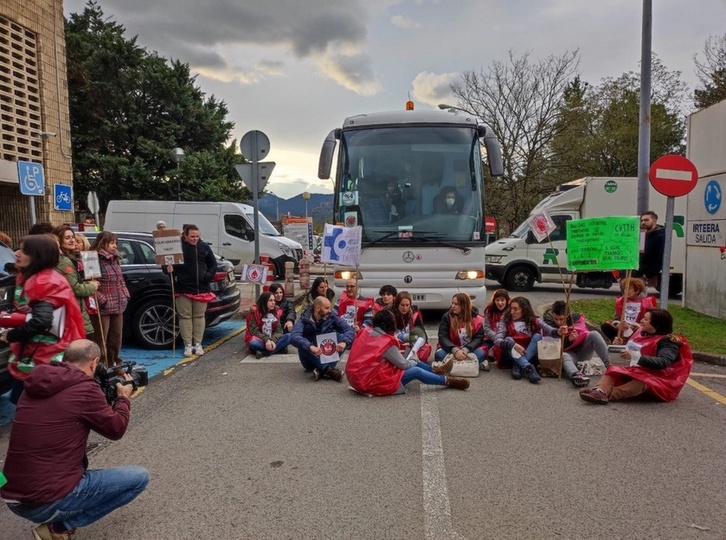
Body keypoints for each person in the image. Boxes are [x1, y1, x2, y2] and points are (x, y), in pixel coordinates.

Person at [1, 339, 149, 540]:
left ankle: (61, 508)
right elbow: (116, 429)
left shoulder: (33, 386)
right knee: (139, 477)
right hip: (42, 502)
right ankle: (59, 528)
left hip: (11, 495)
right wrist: (122, 398)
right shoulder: (85, 389)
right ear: (93, 363)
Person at [0, 235, 85, 404]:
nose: (17, 254)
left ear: (38, 255)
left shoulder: (42, 281)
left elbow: (42, 320)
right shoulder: (40, 277)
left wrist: (11, 335)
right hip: (41, 353)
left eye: (24, 251)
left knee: (26, 401)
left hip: (44, 355)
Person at [579, 309, 693, 404]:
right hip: (638, 370)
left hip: (659, 378)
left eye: (646, 319)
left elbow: (663, 362)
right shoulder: (641, 331)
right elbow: (634, 349)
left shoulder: (669, 342)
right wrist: (620, 345)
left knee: (641, 382)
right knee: (614, 370)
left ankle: (609, 394)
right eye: (643, 317)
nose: (641, 321)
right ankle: (600, 390)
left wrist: (636, 357)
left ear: (656, 325)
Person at [345, 309, 470, 395]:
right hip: (370, 382)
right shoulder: (385, 343)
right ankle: (446, 380)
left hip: (357, 378)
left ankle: (436, 371)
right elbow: (403, 365)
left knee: (407, 359)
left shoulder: (365, 332)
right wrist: (414, 359)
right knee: (415, 370)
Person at [163, 224, 216, 357]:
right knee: (185, 316)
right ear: (184, 235)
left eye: (197, 236)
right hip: (182, 288)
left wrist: (207, 277)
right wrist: (168, 269)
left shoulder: (204, 246)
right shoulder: (177, 247)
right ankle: (188, 345)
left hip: (201, 287)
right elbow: (166, 265)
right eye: (192, 236)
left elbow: (213, 264)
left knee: (199, 316)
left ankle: (198, 344)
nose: (195, 239)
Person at [493, 296, 567, 384]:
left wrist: (559, 331)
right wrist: (513, 345)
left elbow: (549, 330)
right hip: (509, 355)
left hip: (529, 354)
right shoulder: (505, 319)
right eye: (511, 308)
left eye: (515, 309)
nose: (512, 312)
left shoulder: (534, 319)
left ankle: (519, 364)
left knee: (537, 336)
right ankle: (528, 368)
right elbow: (497, 340)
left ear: (524, 310)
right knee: (508, 339)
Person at [543, 300, 610, 388]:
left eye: (561, 319)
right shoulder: (549, 324)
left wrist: (576, 338)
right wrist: (568, 340)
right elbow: (551, 347)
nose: (558, 322)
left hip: (582, 351)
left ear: (566, 316)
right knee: (564, 355)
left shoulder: (576, 320)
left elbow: (584, 333)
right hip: (567, 355)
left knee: (594, 334)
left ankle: (609, 366)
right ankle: (576, 375)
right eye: (556, 319)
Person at [290, 296, 355, 382]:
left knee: (343, 337)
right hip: (310, 360)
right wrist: (310, 347)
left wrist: (344, 342)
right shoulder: (304, 320)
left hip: (327, 354)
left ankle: (323, 370)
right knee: (303, 343)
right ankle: (329, 370)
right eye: (327, 308)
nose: (330, 310)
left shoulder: (332, 317)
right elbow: (293, 337)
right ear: (317, 308)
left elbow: (349, 330)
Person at [90, 232, 130, 367]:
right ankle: (101, 365)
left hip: (118, 303)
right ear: (103, 243)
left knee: (116, 337)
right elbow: (91, 282)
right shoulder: (94, 259)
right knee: (101, 338)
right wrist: (102, 300)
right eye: (112, 243)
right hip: (104, 305)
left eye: (115, 243)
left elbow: (120, 279)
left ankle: (115, 363)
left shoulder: (115, 259)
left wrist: (125, 294)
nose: (114, 246)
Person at [52, 225, 99, 340]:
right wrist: (92, 286)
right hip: (72, 310)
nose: (72, 240)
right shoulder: (64, 261)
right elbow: (75, 288)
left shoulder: (68, 258)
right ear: (58, 240)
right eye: (67, 238)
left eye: (72, 237)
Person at [435, 292, 488, 369]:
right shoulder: (447, 317)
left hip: (470, 349)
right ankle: (471, 364)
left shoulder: (477, 318)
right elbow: (442, 337)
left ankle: (452, 364)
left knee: (481, 354)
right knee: (440, 355)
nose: (453, 306)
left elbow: (479, 338)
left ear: (464, 306)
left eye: (456, 304)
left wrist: (466, 349)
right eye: (452, 303)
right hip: (451, 348)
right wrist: (455, 350)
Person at [600, 278, 657, 343]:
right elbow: (616, 318)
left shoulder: (647, 302)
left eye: (628, 289)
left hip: (637, 329)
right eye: (624, 289)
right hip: (622, 328)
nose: (625, 291)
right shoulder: (621, 301)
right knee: (605, 326)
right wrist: (618, 324)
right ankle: (616, 341)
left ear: (637, 290)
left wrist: (633, 326)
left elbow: (649, 322)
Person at [245, 291, 292, 358]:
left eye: (274, 300)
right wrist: (266, 340)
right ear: (264, 301)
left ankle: (263, 352)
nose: (273, 303)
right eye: (270, 300)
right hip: (261, 340)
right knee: (252, 342)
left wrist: (272, 340)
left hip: (273, 340)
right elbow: (254, 331)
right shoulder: (255, 313)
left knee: (290, 336)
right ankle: (278, 350)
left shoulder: (276, 312)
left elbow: (279, 331)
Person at [391, 291, 432, 362]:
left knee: (426, 347)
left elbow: (422, 334)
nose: (405, 308)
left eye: (407, 305)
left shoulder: (415, 314)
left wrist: (412, 338)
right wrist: (401, 337)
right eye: (402, 305)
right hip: (396, 344)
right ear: (397, 304)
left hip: (411, 343)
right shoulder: (390, 315)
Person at [633, 211, 665, 288]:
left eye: (646, 220)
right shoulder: (643, 234)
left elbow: (660, 261)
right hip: (635, 273)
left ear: (654, 221)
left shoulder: (659, 237)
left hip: (642, 276)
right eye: (642, 220)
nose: (643, 222)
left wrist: (646, 277)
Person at [482, 288, 510, 369]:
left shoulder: (510, 311)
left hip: (505, 339)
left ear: (507, 300)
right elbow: (487, 328)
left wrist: (499, 339)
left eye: (502, 300)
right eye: (497, 300)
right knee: (481, 350)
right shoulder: (489, 310)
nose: (500, 303)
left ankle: (494, 354)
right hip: (491, 339)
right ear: (494, 301)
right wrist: (496, 338)